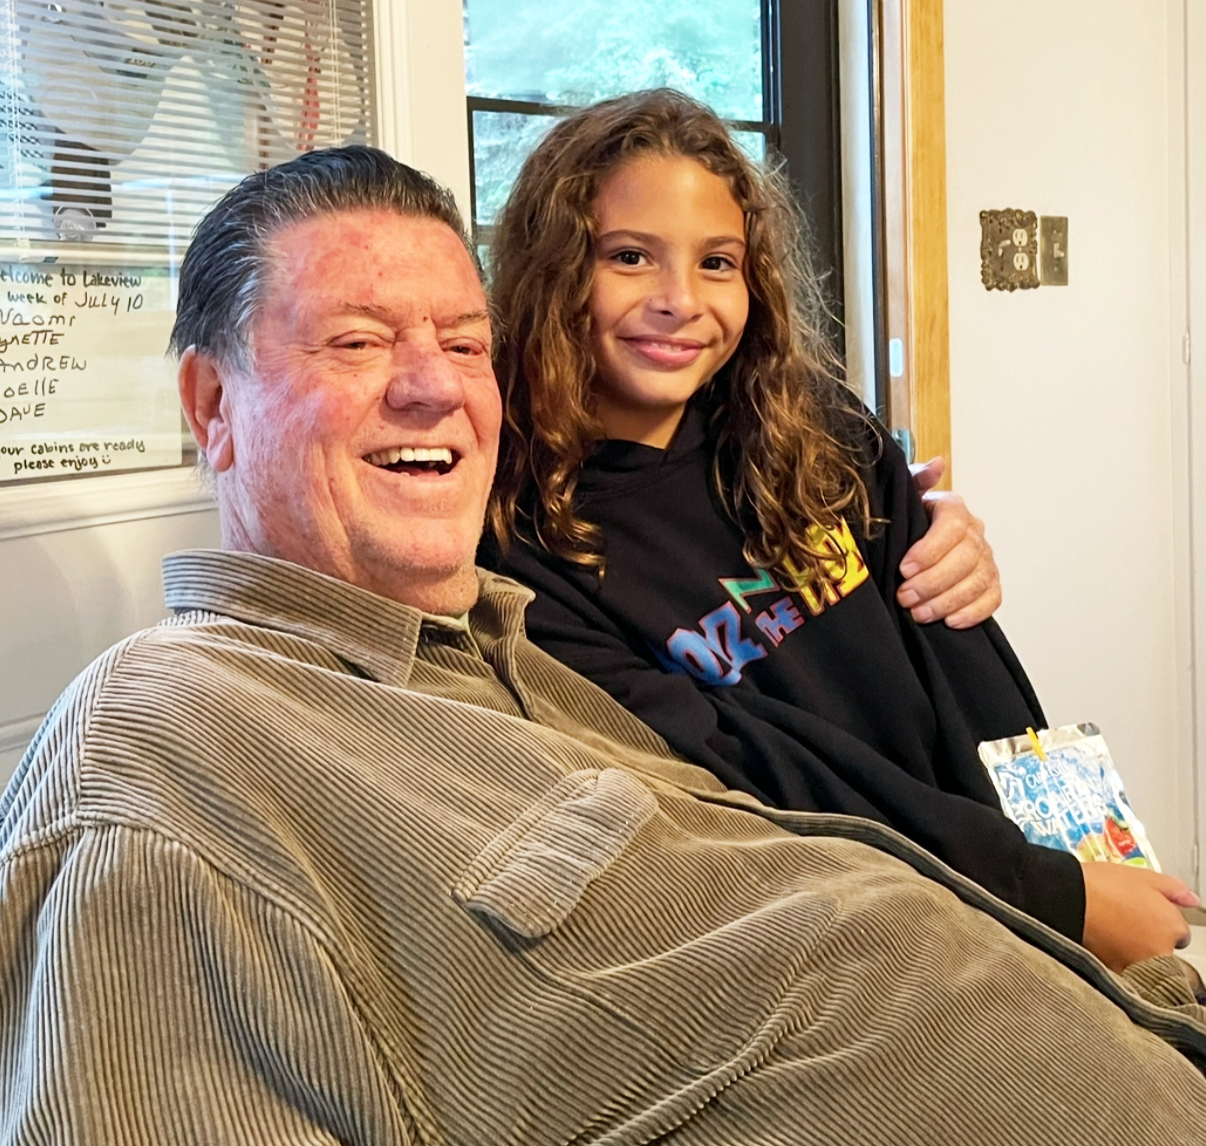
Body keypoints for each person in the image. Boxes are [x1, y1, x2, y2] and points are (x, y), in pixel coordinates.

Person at [3, 145, 1206, 1144]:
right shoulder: (169, 744)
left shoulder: (502, 637)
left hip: (1128, 1007)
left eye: (464, 345)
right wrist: (1058, 892)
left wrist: (1091, 889)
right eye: (357, 342)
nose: (432, 387)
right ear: (212, 406)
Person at [479, 88, 1196, 971]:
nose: (679, 299)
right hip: (869, 939)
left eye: (717, 262)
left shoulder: (815, 430)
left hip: (1033, 882)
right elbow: (752, 784)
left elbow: (969, 664)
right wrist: (1043, 891)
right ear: (553, 270)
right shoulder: (524, 546)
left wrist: (1080, 853)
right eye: (629, 256)